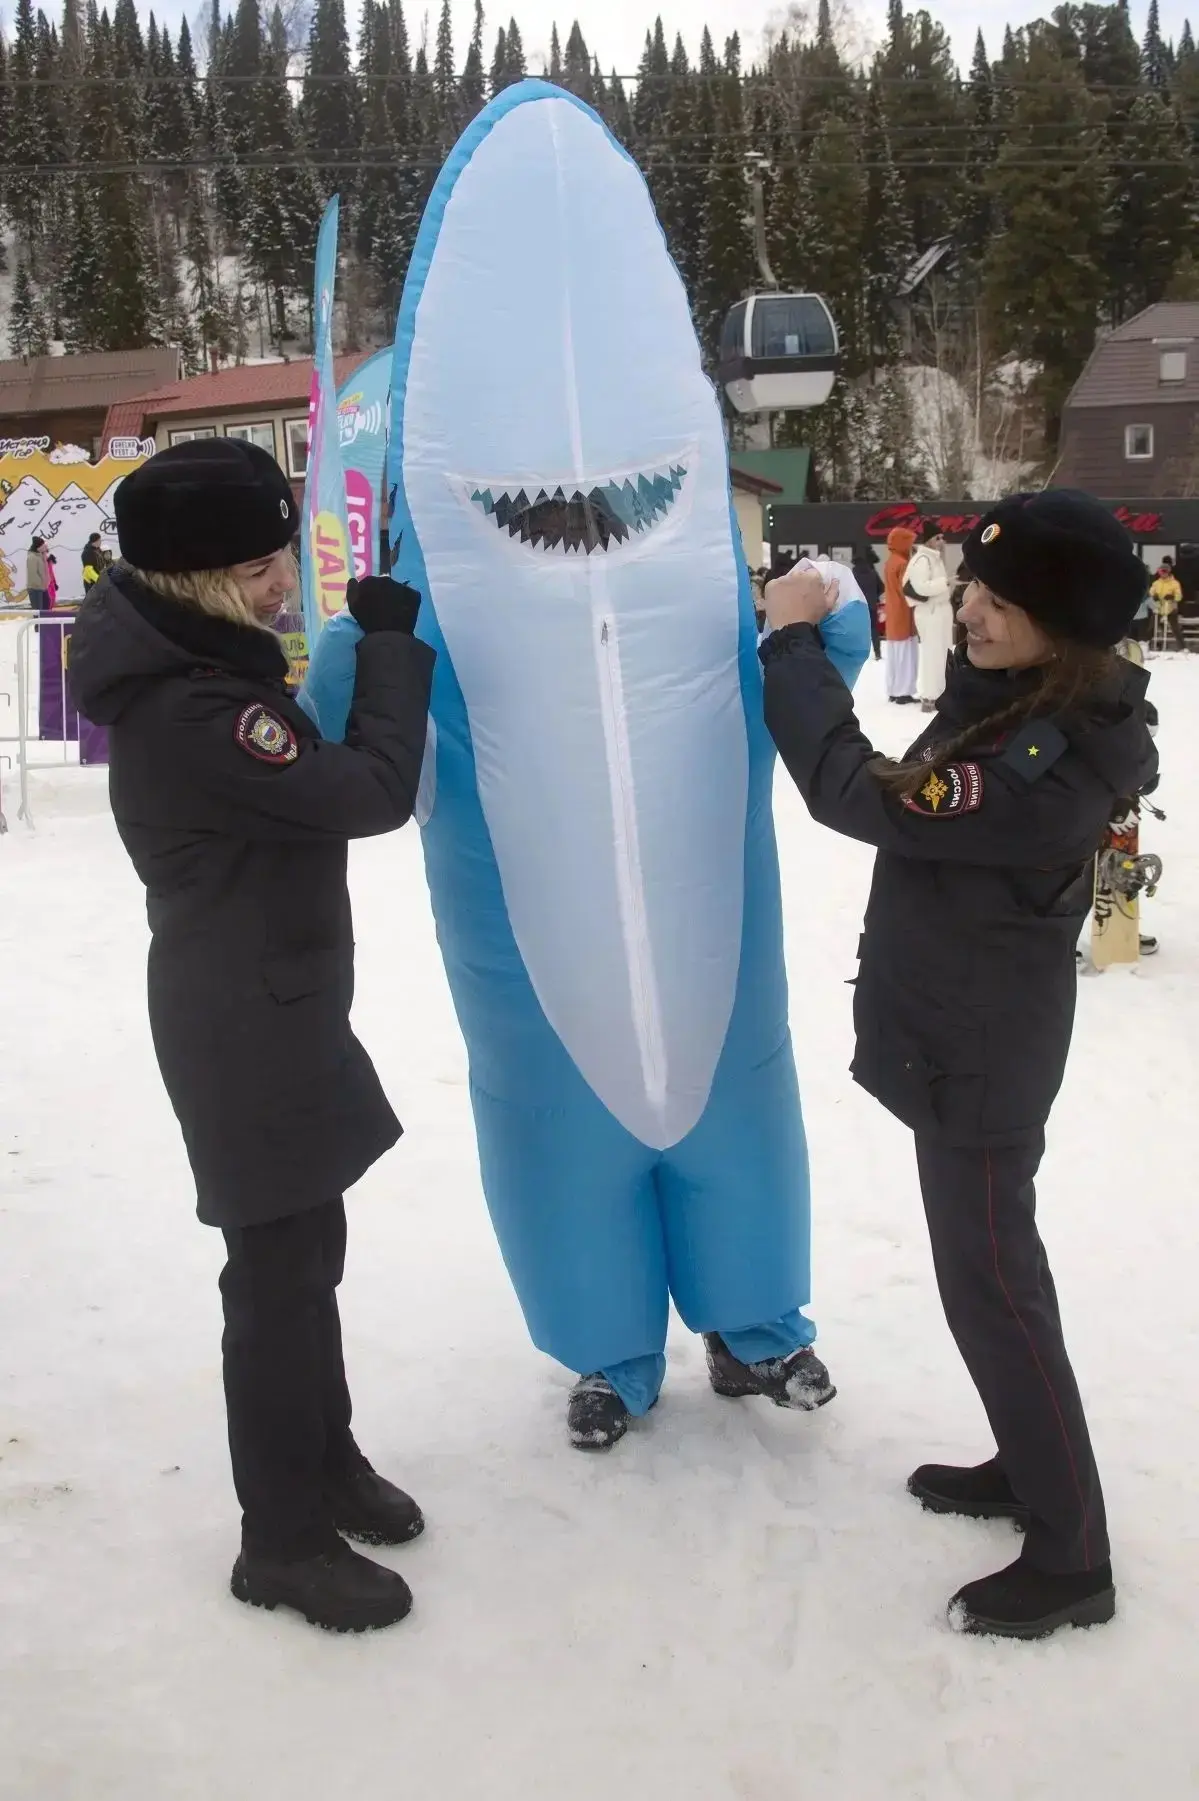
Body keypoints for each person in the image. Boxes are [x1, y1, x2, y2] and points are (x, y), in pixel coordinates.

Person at [758, 489, 1156, 1640]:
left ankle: (1071, 1553)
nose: (965, 610)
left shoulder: (1039, 765)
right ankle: (1025, 1467)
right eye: (968, 586)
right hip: (969, 1040)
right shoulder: (1026, 702)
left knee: (995, 1293)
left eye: (994, 598)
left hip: (979, 1066)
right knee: (984, 1285)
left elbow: (861, 796)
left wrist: (790, 645)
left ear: (1059, 624)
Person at [68, 440, 436, 1634]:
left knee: (304, 1259)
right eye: (273, 563)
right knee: (274, 1283)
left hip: (272, 1000)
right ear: (214, 575)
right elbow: (366, 792)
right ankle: (278, 1538)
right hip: (244, 1024)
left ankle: (322, 1464)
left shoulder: (201, 663)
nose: (290, 583)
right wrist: (387, 642)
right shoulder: (196, 706)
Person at [904, 520, 955, 711]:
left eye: (942, 537)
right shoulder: (921, 560)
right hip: (930, 612)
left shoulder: (935, 558)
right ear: (929, 540)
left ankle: (940, 693)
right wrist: (945, 582)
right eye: (937, 537)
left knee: (942, 653)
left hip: (940, 610)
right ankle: (929, 696)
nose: (941, 541)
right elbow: (921, 587)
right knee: (932, 654)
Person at [881, 524, 918, 702]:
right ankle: (904, 691)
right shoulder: (903, 564)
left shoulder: (890, 562)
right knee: (906, 655)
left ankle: (893, 690)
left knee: (894, 657)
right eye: (909, 543)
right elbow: (908, 590)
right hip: (904, 613)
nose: (911, 547)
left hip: (893, 614)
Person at [852, 546, 883, 660]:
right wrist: (875, 596)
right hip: (872, 605)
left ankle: (858, 653)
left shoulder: (854, 574)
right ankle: (877, 652)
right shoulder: (872, 572)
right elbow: (882, 587)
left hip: (858, 606)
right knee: (874, 629)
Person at [1149, 560, 1185, 651]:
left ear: (1168, 572)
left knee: (1175, 629)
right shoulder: (1156, 583)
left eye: (1165, 571)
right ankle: (1148, 645)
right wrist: (1154, 596)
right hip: (1159, 608)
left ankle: (1182, 648)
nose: (1163, 573)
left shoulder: (1174, 583)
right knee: (1152, 627)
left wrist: (1172, 596)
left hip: (1170, 608)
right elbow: (1151, 592)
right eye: (1161, 571)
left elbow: (1179, 596)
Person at [25, 535, 50, 610]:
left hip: (41, 588)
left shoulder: (39, 556)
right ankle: (38, 622)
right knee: (38, 610)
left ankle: (43, 622)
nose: (44, 546)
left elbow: (45, 570)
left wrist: (44, 556)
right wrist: (42, 584)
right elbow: (33, 575)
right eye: (43, 545)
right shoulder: (32, 557)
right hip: (35, 588)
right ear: (38, 546)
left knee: (46, 606)